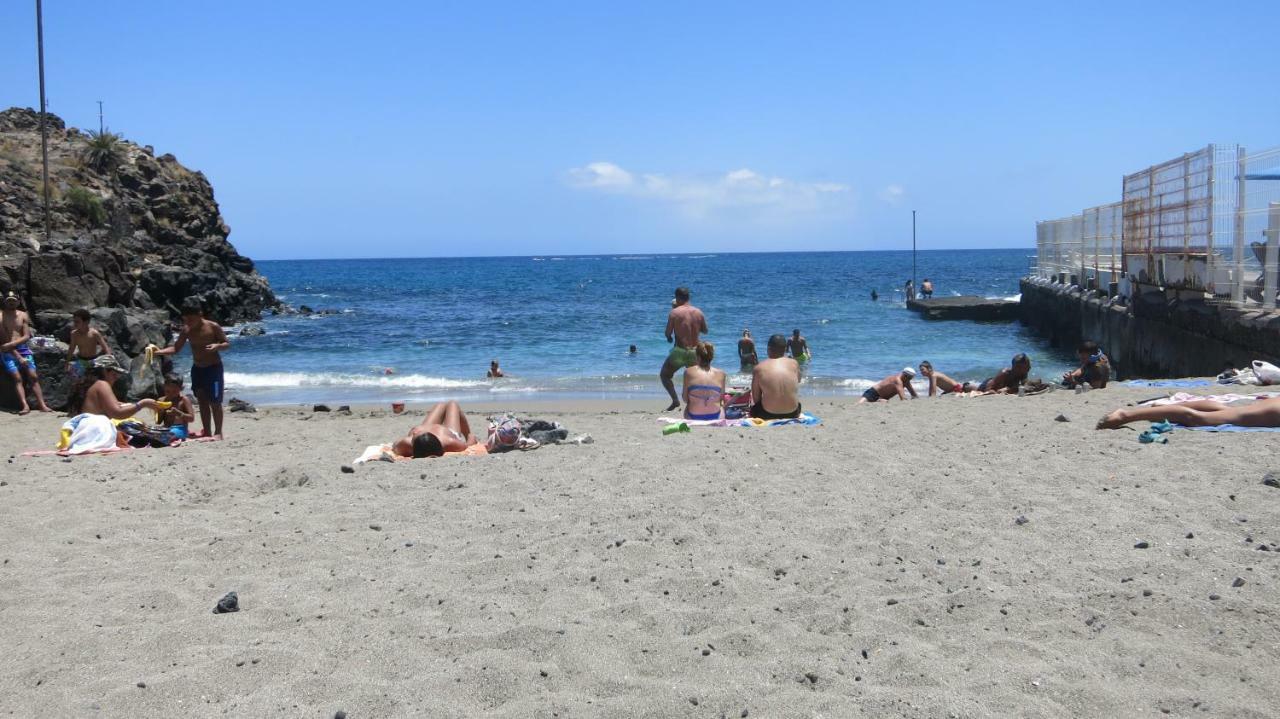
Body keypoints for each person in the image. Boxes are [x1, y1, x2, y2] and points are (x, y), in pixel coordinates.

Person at [152, 302, 230, 438]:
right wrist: (159, 352)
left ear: (200, 314)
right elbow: (176, 348)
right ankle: (207, 431)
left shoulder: (213, 327)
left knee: (215, 402)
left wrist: (217, 346)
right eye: (185, 319)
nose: (188, 322)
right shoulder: (187, 330)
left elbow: (226, 343)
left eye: (191, 319)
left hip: (213, 368)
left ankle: (218, 433)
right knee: (202, 401)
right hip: (197, 369)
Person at [1097, 395, 1280, 430]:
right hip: (1272, 411)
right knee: (1197, 419)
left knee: (1228, 410)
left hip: (1272, 404)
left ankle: (1161, 409)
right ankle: (1127, 415)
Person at [1, 291, 52, 415]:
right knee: (17, 378)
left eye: (14, 300)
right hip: (7, 350)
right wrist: (16, 355)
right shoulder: (1, 316)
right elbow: (4, 340)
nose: (11, 303)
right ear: (5, 301)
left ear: (18, 301)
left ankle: (42, 404)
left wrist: (14, 345)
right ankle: (25, 405)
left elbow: (27, 335)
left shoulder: (23, 315)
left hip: (22, 348)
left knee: (33, 376)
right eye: (9, 300)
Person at [660, 286, 708, 412]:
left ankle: (676, 400)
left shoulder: (674, 313)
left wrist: (670, 338)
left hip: (680, 351)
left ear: (677, 298)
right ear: (688, 297)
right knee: (697, 378)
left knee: (665, 375)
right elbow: (705, 331)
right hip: (695, 352)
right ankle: (699, 402)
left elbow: (667, 333)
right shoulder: (698, 312)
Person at [77, 355, 158, 419]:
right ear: (104, 371)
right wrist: (143, 404)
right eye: (114, 374)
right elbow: (117, 413)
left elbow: (115, 405)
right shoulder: (102, 385)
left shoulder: (90, 385)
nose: (116, 378)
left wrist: (132, 405)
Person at [390, 400, 480, 458]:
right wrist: (470, 436)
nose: (414, 433)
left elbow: (394, 446)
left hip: (429, 429)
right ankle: (465, 433)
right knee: (452, 404)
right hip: (447, 432)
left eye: (415, 435)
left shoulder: (405, 444)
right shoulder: (450, 442)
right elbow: (468, 444)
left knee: (441, 404)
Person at [750, 334, 802, 419]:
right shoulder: (794, 363)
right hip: (793, 412)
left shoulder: (759, 368)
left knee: (754, 408)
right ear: (785, 349)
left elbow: (756, 398)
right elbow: (798, 380)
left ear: (768, 349)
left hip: (768, 413)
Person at [682, 341, 727, 421]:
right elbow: (721, 399)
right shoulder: (721, 373)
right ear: (712, 357)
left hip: (693, 416)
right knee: (721, 406)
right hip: (715, 416)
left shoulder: (688, 372)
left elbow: (685, 399)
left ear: (698, 356)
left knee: (688, 404)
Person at [67, 308, 112, 383]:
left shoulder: (94, 333)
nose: (75, 324)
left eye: (77, 322)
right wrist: (67, 363)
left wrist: (109, 359)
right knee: (73, 379)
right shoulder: (74, 334)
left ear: (86, 322)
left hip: (93, 360)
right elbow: (71, 349)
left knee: (102, 378)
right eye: (74, 321)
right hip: (81, 360)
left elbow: (105, 348)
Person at [157, 373, 196, 441]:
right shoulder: (161, 400)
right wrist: (160, 412)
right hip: (166, 428)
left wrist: (179, 413)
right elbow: (159, 421)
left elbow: (191, 419)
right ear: (163, 387)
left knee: (170, 434)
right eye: (167, 391)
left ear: (181, 388)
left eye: (174, 391)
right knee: (151, 432)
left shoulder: (183, 400)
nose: (171, 394)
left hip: (180, 428)